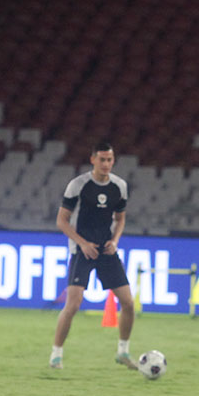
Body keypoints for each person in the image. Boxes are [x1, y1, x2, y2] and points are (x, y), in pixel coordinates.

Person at [50, 141, 137, 370]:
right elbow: (62, 220)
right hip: (82, 250)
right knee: (73, 304)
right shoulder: (78, 185)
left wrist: (115, 241)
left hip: (106, 250)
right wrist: (82, 243)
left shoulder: (119, 186)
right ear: (93, 160)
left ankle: (123, 352)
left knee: (128, 303)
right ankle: (56, 354)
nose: (107, 164)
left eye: (110, 160)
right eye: (102, 159)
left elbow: (120, 219)